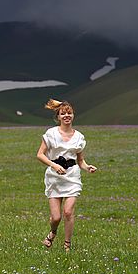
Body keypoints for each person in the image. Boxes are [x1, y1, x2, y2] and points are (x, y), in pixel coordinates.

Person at [36, 99, 96, 252]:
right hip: (54, 178)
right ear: (58, 117)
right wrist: (54, 165)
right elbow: (40, 155)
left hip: (72, 177)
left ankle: (67, 245)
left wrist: (87, 167)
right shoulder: (51, 134)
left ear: (73, 115)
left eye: (69, 113)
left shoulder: (79, 137)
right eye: (63, 113)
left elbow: (80, 160)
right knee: (56, 217)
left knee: (68, 212)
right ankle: (53, 232)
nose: (67, 116)